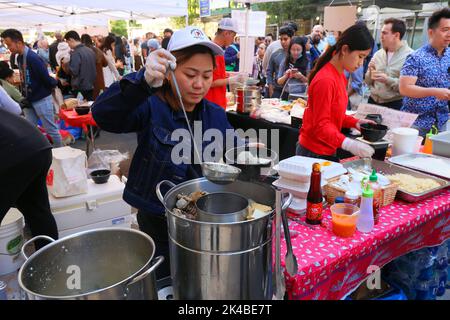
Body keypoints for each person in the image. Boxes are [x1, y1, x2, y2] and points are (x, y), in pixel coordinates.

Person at [92, 26, 242, 279]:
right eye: (190, 74)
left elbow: (230, 145)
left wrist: (244, 150)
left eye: (207, 76)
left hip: (202, 221)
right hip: (157, 216)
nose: (199, 84)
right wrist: (141, 81)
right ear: (170, 71)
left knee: (201, 279)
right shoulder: (150, 105)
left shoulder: (214, 114)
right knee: (163, 279)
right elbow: (103, 115)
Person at [298, 24, 376, 161]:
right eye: (360, 56)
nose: (361, 64)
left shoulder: (339, 75)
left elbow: (334, 114)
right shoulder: (326, 80)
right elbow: (321, 126)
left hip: (327, 148)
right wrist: (348, 144)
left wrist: (355, 122)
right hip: (313, 152)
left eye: (364, 58)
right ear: (345, 49)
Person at [0, 108, 58, 251]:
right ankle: (50, 264)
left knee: (37, 210)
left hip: (14, 154)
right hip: (37, 145)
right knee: (38, 211)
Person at [1, 29, 62, 147]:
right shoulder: (19, 58)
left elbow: (45, 78)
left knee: (51, 130)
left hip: (41, 99)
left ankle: (62, 154)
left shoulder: (33, 58)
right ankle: (39, 153)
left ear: (18, 42)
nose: (8, 48)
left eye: (9, 45)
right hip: (29, 99)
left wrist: (55, 83)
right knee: (30, 130)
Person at [399, 8, 450, 136]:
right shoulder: (416, 57)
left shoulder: (449, 55)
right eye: (445, 30)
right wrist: (434, 92)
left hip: (441, 122)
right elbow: (404, 88)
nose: (449, 34)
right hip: (416, 123)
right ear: (431, 32)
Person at [365, 18, 413, 110]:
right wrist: (370, 71)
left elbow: (409, 88)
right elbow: (367, 82)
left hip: (394, 104)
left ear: (396, 35)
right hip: (372, 101)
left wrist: (387, 80)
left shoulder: (410, 57)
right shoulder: (378, 54)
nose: (381, 36)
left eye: (384, 33)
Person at [204, 17, 242, 109]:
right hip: (210, 105)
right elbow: (211, 82)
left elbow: (217, 74)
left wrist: (229, 75)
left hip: (217, 104)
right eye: (233, 36)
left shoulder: (219, 50)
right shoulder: (212, 51)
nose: (233, 40)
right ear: (226, 33)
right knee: (198, 123)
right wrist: (233, 80)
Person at [64, 31, 97, 101]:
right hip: (90, 85)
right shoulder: (90, 50)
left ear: (71, 40)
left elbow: (74, 71)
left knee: (81, 109)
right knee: (89, 107)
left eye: (67, 42)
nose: (68, 45)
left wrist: (66, 64)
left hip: (80, 87)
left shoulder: (76, 52)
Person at [266, 26, 294, 98]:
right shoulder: (276, 54)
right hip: (278, 90)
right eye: (281, 39)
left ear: (291, 38)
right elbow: (269, 72)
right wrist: (271, 89)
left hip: (293, 91)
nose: (283, 42)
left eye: (285, 39)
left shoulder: (297, 55)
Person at [81, 34, 108, 100]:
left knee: (88, 105)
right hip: (99, 82)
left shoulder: (81, 52)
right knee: (100, 102)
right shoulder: (97, 50)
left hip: (87, 83)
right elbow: (105, 63)